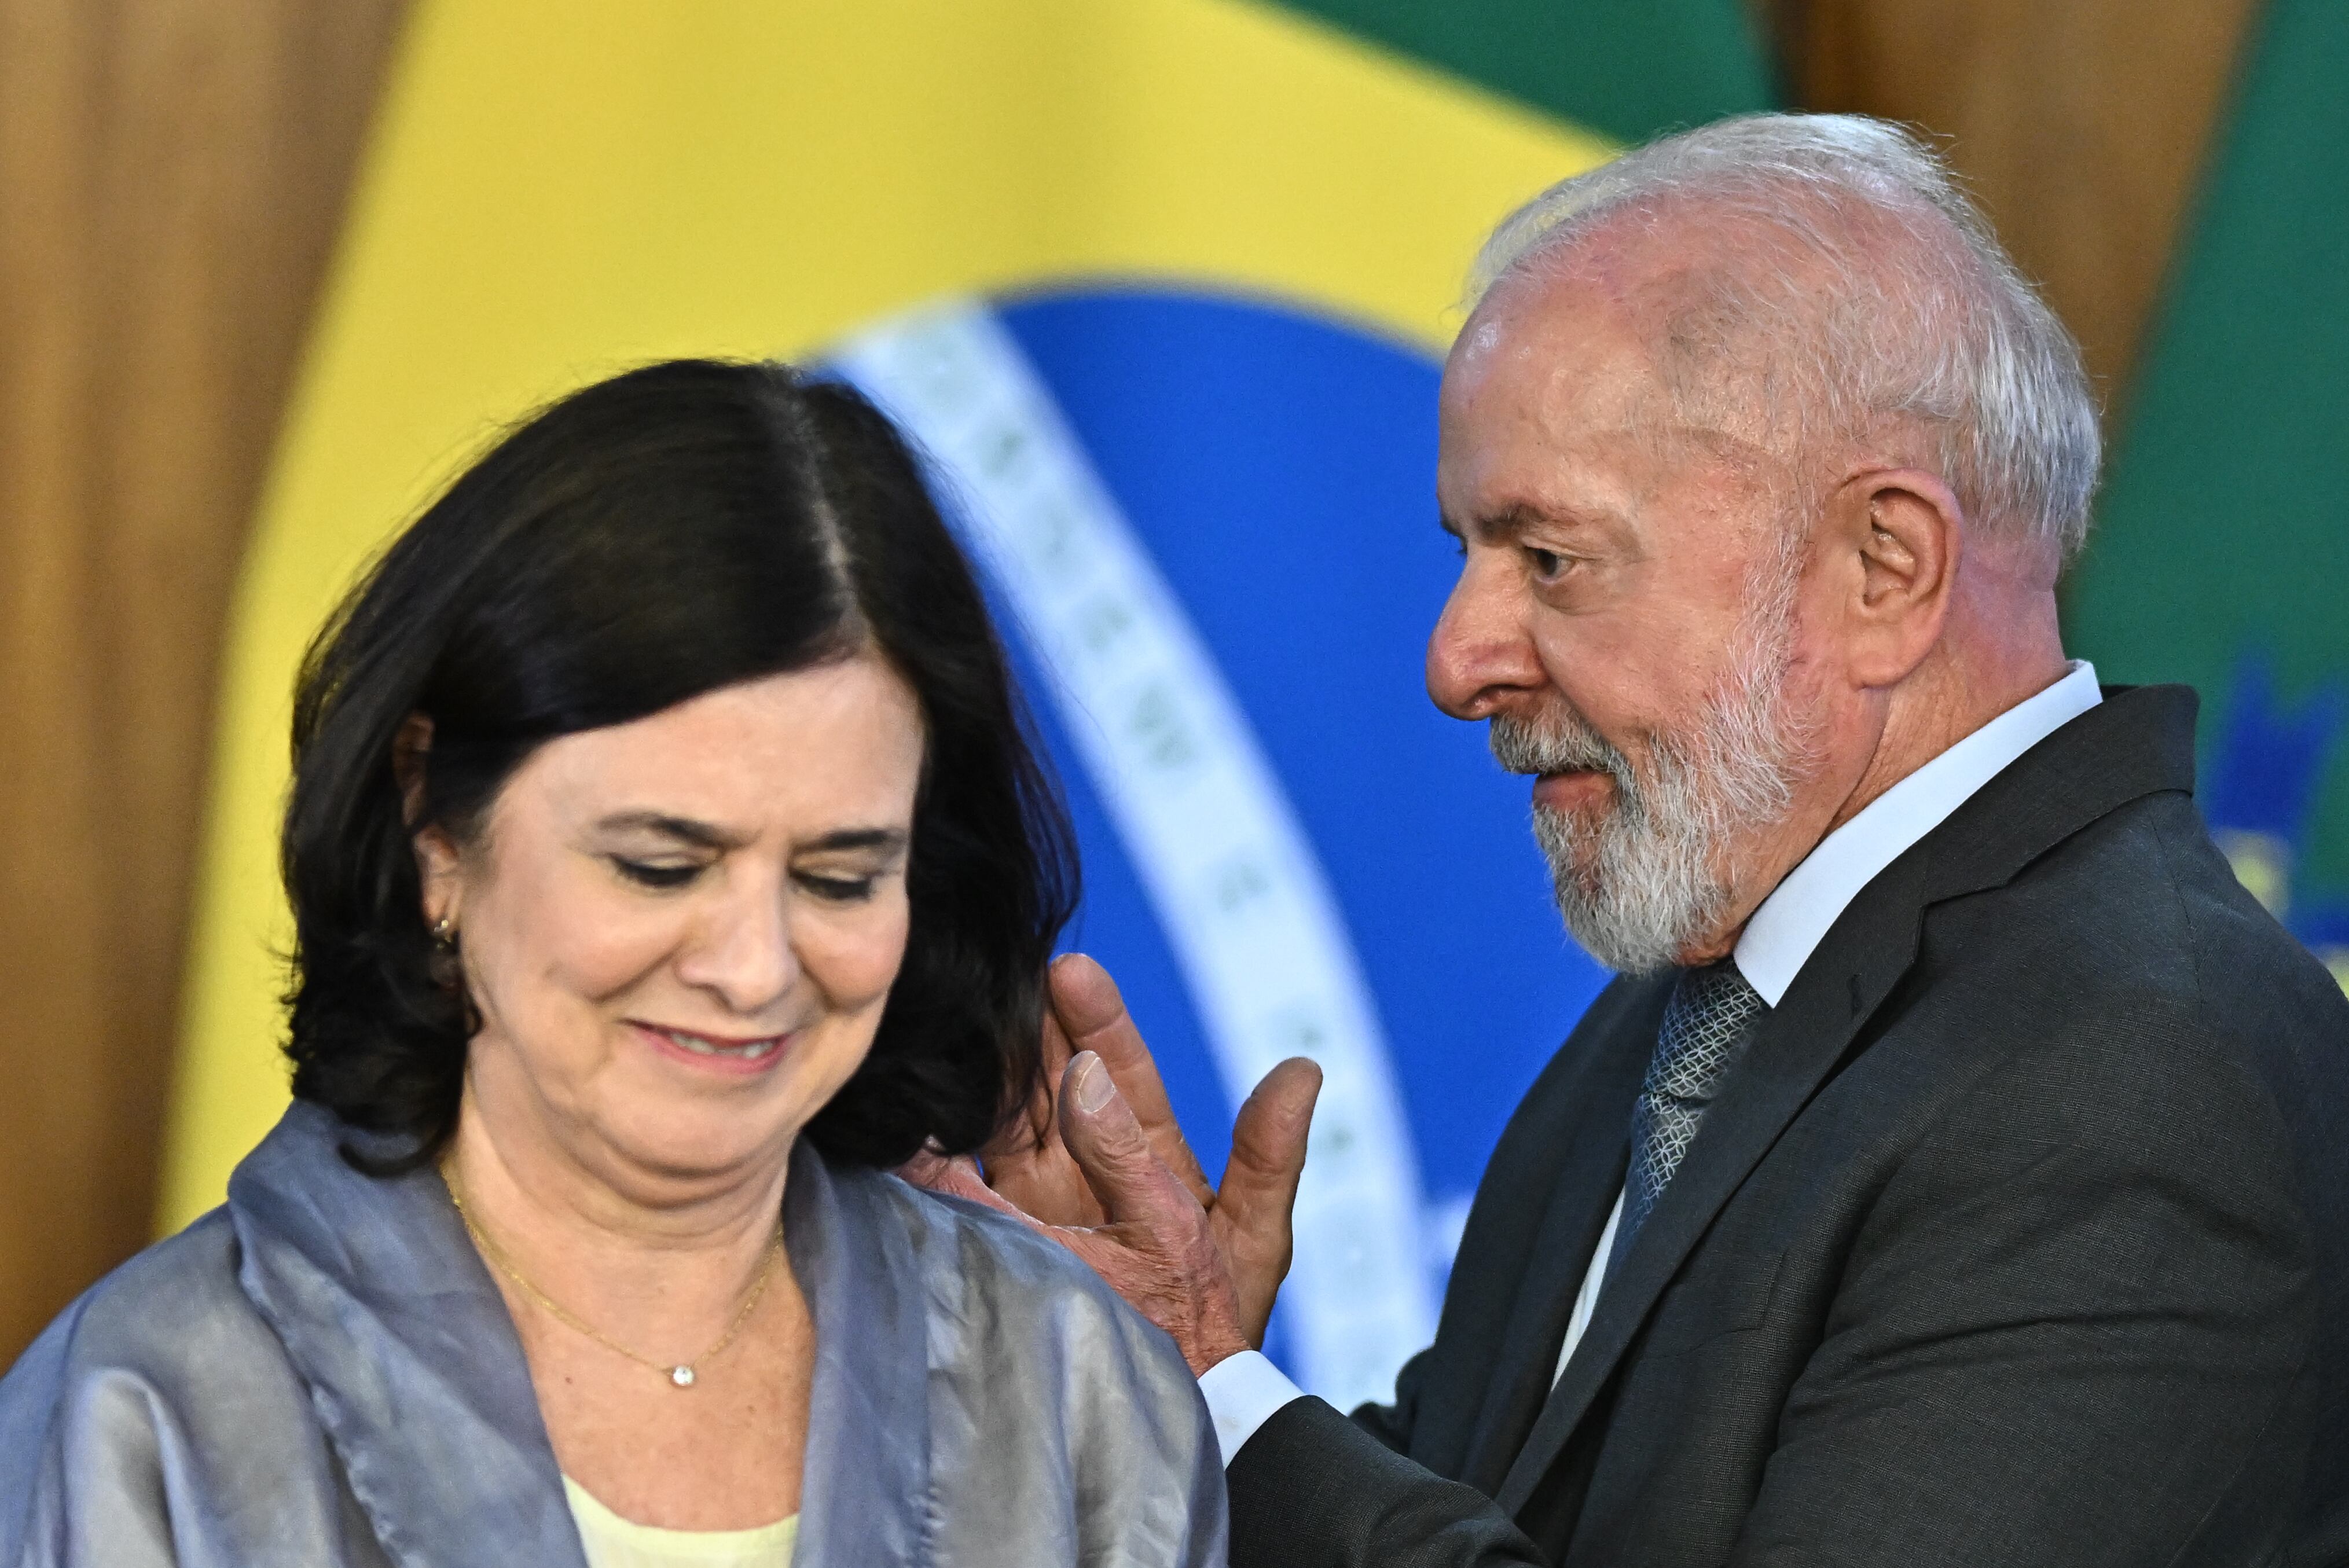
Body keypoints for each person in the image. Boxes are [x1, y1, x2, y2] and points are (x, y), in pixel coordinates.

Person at [917, 113, 2349, 1565]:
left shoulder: (2134, 1072)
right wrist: (1156, 1390)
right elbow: (1495, 1510)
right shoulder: (1701, 1001)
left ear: (1884, 567)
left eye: (1551, 558)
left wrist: (1213, 1392)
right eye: (1465, 552)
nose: (1455, 656)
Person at [0, 361, 1226, 1566]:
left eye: (839, 877)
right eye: (659, 864)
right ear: (435, 826)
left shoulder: (1080, 1391)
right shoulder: (145, 1410)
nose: (754, 968)